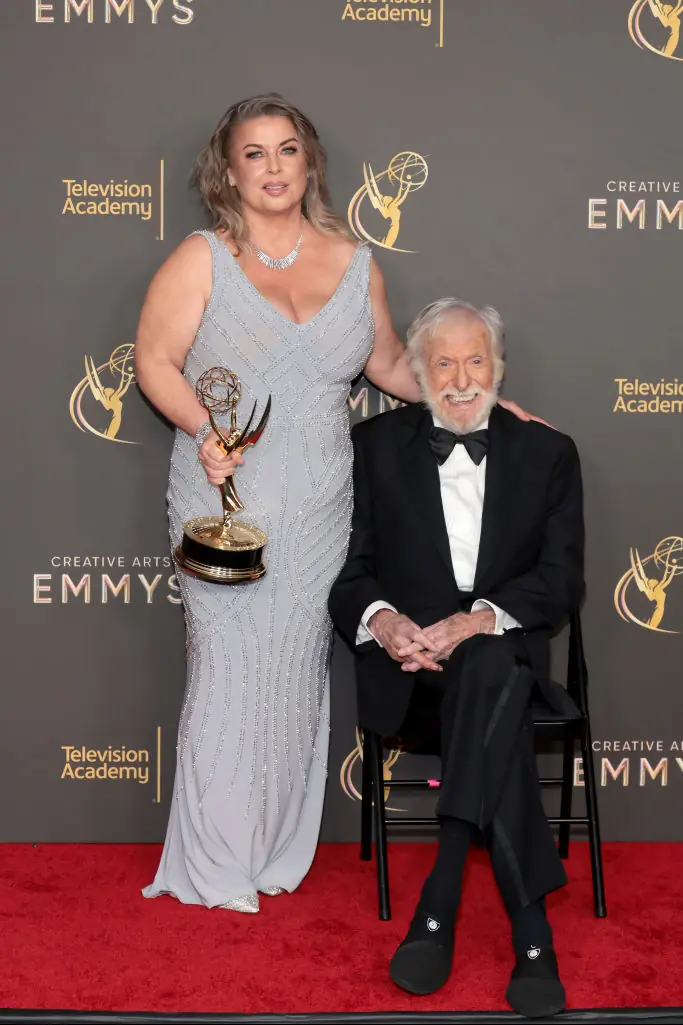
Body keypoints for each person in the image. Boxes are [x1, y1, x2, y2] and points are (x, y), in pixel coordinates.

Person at [134, 93, 538, 914]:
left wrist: (481, 404)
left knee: (289, 674)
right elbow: (155, 360)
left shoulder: (355, 261)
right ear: (229, 170)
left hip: (321, 501)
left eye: (287, 150)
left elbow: (390, 364)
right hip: (226, 496)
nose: (274, 167)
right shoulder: (202, 256)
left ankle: (274, 848)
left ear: (309, 162)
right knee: (226, 668)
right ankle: (214, 858)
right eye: (255, 154)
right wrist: (201, 430)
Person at [328, 298, 584, 1017]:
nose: (462, 377)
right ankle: (529, 933)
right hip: (414, 680)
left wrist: (478, 621)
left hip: (501, 674)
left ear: (498, 368)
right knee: (485, 676)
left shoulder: (547, 452)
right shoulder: (374, 446)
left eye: (476, 360)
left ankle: (439, 896)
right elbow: (349, 574)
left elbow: (561, 581)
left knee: (491, 660)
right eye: (444, 362)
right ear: (417, 370)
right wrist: (384, 625)